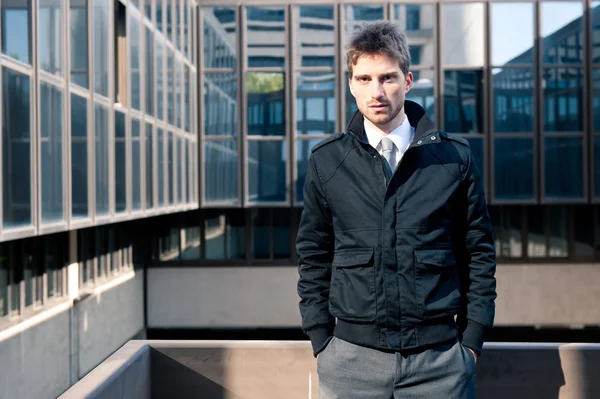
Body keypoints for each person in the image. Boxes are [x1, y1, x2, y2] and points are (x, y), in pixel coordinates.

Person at [296, 20, 496, 399]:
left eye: (387, 78)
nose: (377, 91)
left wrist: (471, 342)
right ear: (351, 83)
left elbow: (479, 253)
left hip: (440, 364)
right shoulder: (327, 162)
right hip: (350, 362)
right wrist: (321, 339)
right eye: (365, 78)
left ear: (407, 80)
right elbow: (313, 254)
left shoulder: (454, 158)